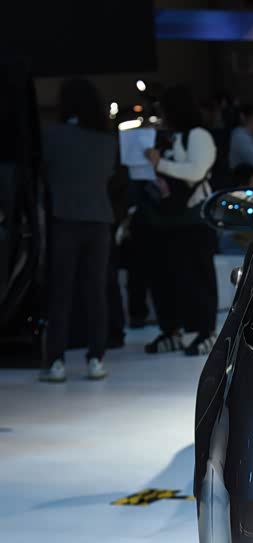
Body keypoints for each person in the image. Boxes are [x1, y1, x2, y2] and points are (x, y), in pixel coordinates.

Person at [39, 78, 116, 382]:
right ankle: (96, 358)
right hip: (99, 219)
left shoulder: (53, 136)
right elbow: (110, 177)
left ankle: (56, 360)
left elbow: (45, 173)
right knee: (96, 293)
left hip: (64, 218)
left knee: (61, 293)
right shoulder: (106, 139)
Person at [142, 85, 219, 356]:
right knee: (166, 277)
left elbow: (196, 171)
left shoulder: (198, 136)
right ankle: (172, 329)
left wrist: (160, 164)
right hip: (166, 219)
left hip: (194, 219)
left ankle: (205, 331)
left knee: (197, 277)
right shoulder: (167, 138)